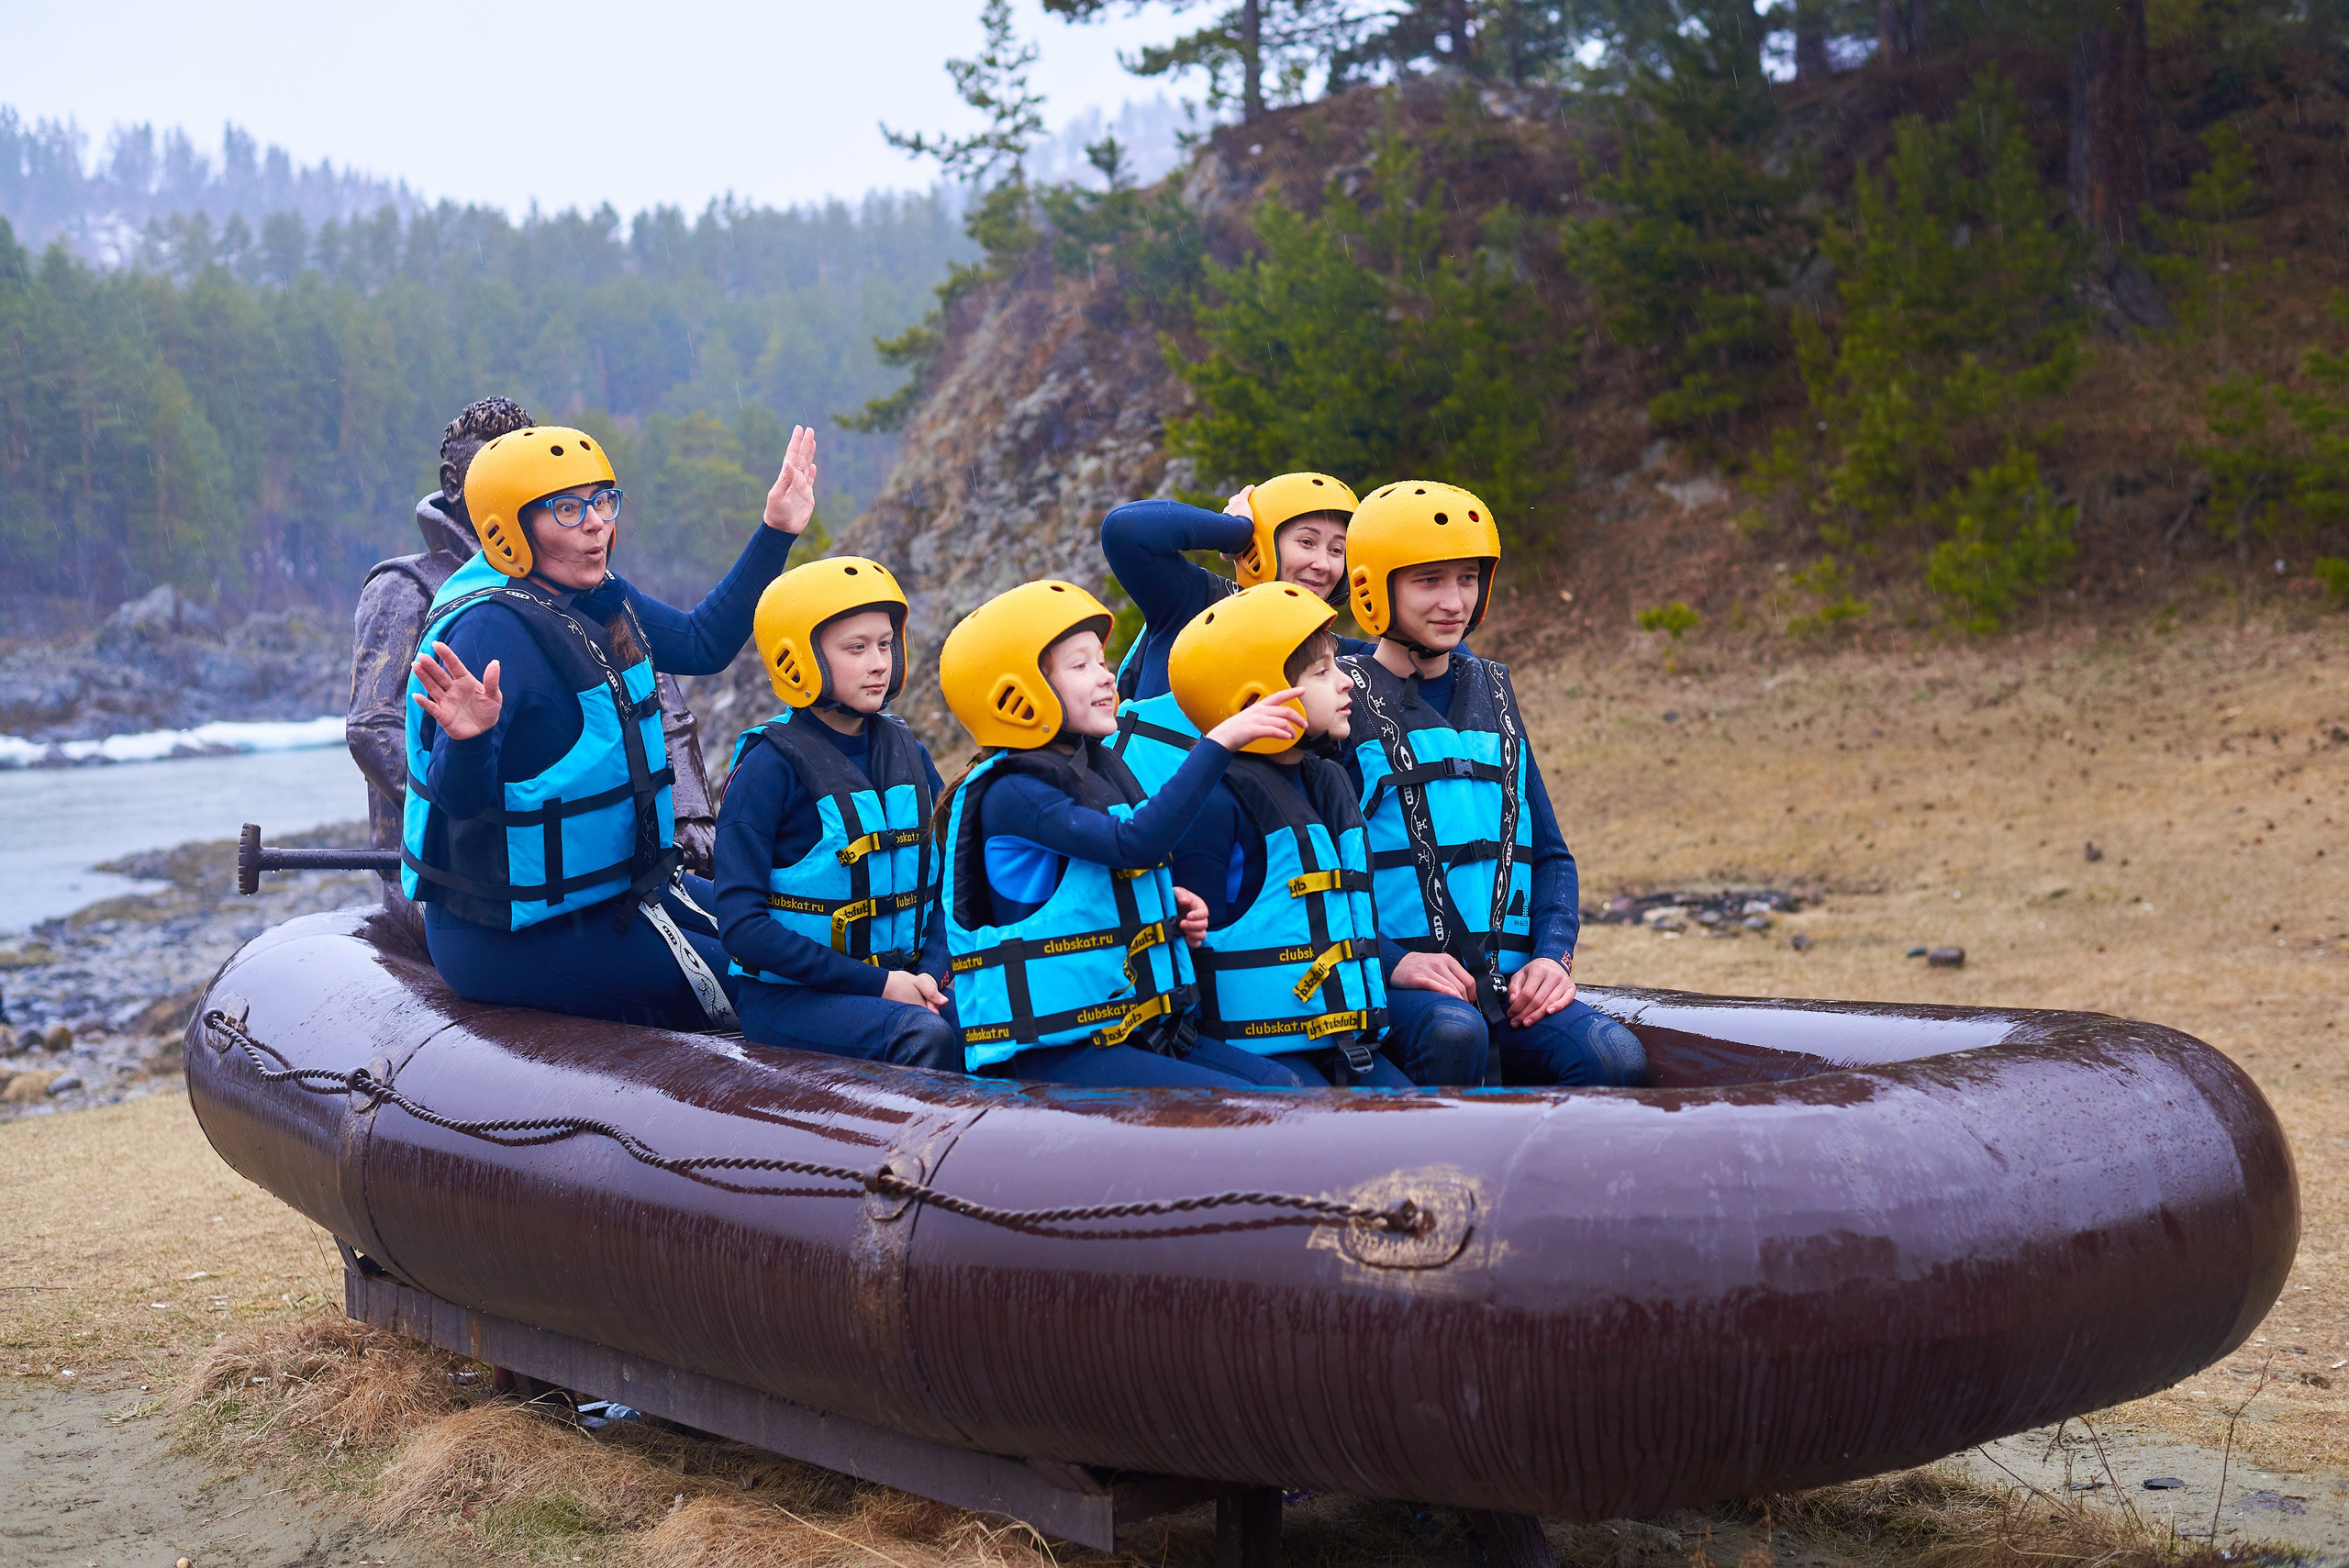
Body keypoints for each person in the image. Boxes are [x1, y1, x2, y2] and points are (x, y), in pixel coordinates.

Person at [400, 421, 817, 1028]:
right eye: (567, 509)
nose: (596, 522)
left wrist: (776, 531)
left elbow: (703, 644)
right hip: (513, 934)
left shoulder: (597, 599)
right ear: (508, 530)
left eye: (602, 501)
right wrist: (468, 737)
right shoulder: (489, 633)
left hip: (620, 895)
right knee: (774, 982)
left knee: (800, 940)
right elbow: (459, 803)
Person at [348, 396, 718, 940]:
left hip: (601, 867)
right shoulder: (408, 589)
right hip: (471, 886)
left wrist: (688, 813)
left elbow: (653, 696)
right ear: (457, 484)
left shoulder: (573, 579)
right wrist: (486, 828)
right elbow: (372, 726)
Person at [932, 579, 1307, 1087]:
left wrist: (1164, 905)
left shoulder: (1095, 768)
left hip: (1131, 1030)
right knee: (1249, 1107)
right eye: (1081, 666)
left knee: (1281, 1086)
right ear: (1014, 692)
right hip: (1055, 1054)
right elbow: (1134, 841)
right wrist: (1222, 740)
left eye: (1103, 663)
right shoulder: (1013, 792)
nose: (1106, 678)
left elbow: (1093, 874)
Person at [1337, 481, 1647, 1088]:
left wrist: (1552, 960)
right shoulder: (1340, 707)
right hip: (1402, 991)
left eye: (1467, 578)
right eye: (1429, 581)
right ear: (1375, 588)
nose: (1454, 600)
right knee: (1457, 1032)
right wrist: (1396, 962)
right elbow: (1323, 880)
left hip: (1506, 987)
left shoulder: (1495, 693)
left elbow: (1553, 857)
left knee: (1613, 1055)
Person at [1159, 582, 1476, 1088]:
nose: (1347, 681)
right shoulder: (1216, 804)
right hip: (1252, 1050)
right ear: (1261, 700)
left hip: (1340, 1041)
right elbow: (1189, 959)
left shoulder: (1323, 779)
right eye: (1323, 672)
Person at [713, 557, 959, 1071]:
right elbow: (742, 927)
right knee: (926, 1036)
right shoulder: (767, 770)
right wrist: (881, 985)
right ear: (798, 660)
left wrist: (932, 972)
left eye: (886, 644)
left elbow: (949, 880)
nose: (878, 663)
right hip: (790, 1001)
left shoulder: (908, 750)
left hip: (908, 982)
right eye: (856, 648)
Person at [1100, 473, 1357, 793]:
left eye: (1337, 551)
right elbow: (1125, 530)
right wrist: (1234, 531)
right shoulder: (1194, 602)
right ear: (1262, 546)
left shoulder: (1343, 659)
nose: (1324, 565)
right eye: (1307, 542)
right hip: (1143, 820)